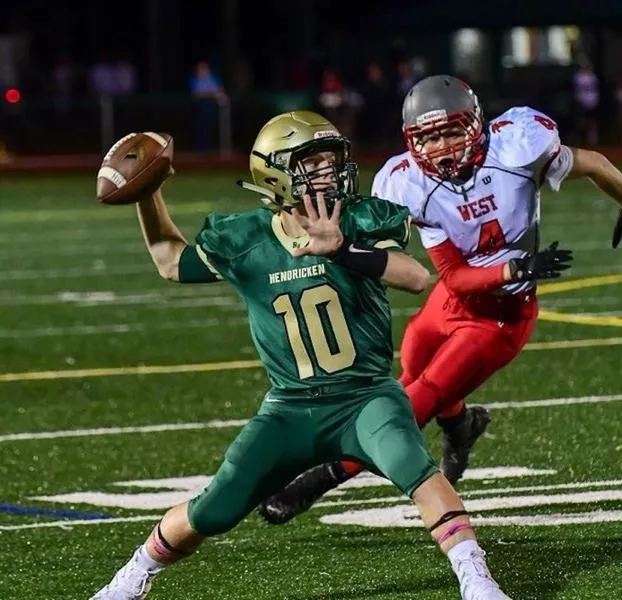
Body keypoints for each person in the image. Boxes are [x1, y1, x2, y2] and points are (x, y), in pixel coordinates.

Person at [89, 110, 514, 600]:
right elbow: (169, 261)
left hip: (365, 398)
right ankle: (132, 579)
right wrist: (148, 195)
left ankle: (477, 580)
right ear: (276, 173)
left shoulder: (358, 218)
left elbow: (416, 278)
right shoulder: (245, 238)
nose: (329, 173)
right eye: (313, 164)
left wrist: (340, 251)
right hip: (289, 408)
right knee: (215, 509)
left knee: (415, 470)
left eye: (332, 162)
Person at [259, 75, 622, 525]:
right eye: (429, 137)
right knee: (412, 366)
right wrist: (516, 266)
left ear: (477, 125)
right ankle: (462, 427)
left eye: (451, 132)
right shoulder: (407, 182)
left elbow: (593, 163)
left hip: (501, 317)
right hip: (453, 297)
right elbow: (456, 279)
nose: (441, 147)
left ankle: (317, 481)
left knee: (412, 403)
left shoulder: (516, 149)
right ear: (411, 141)